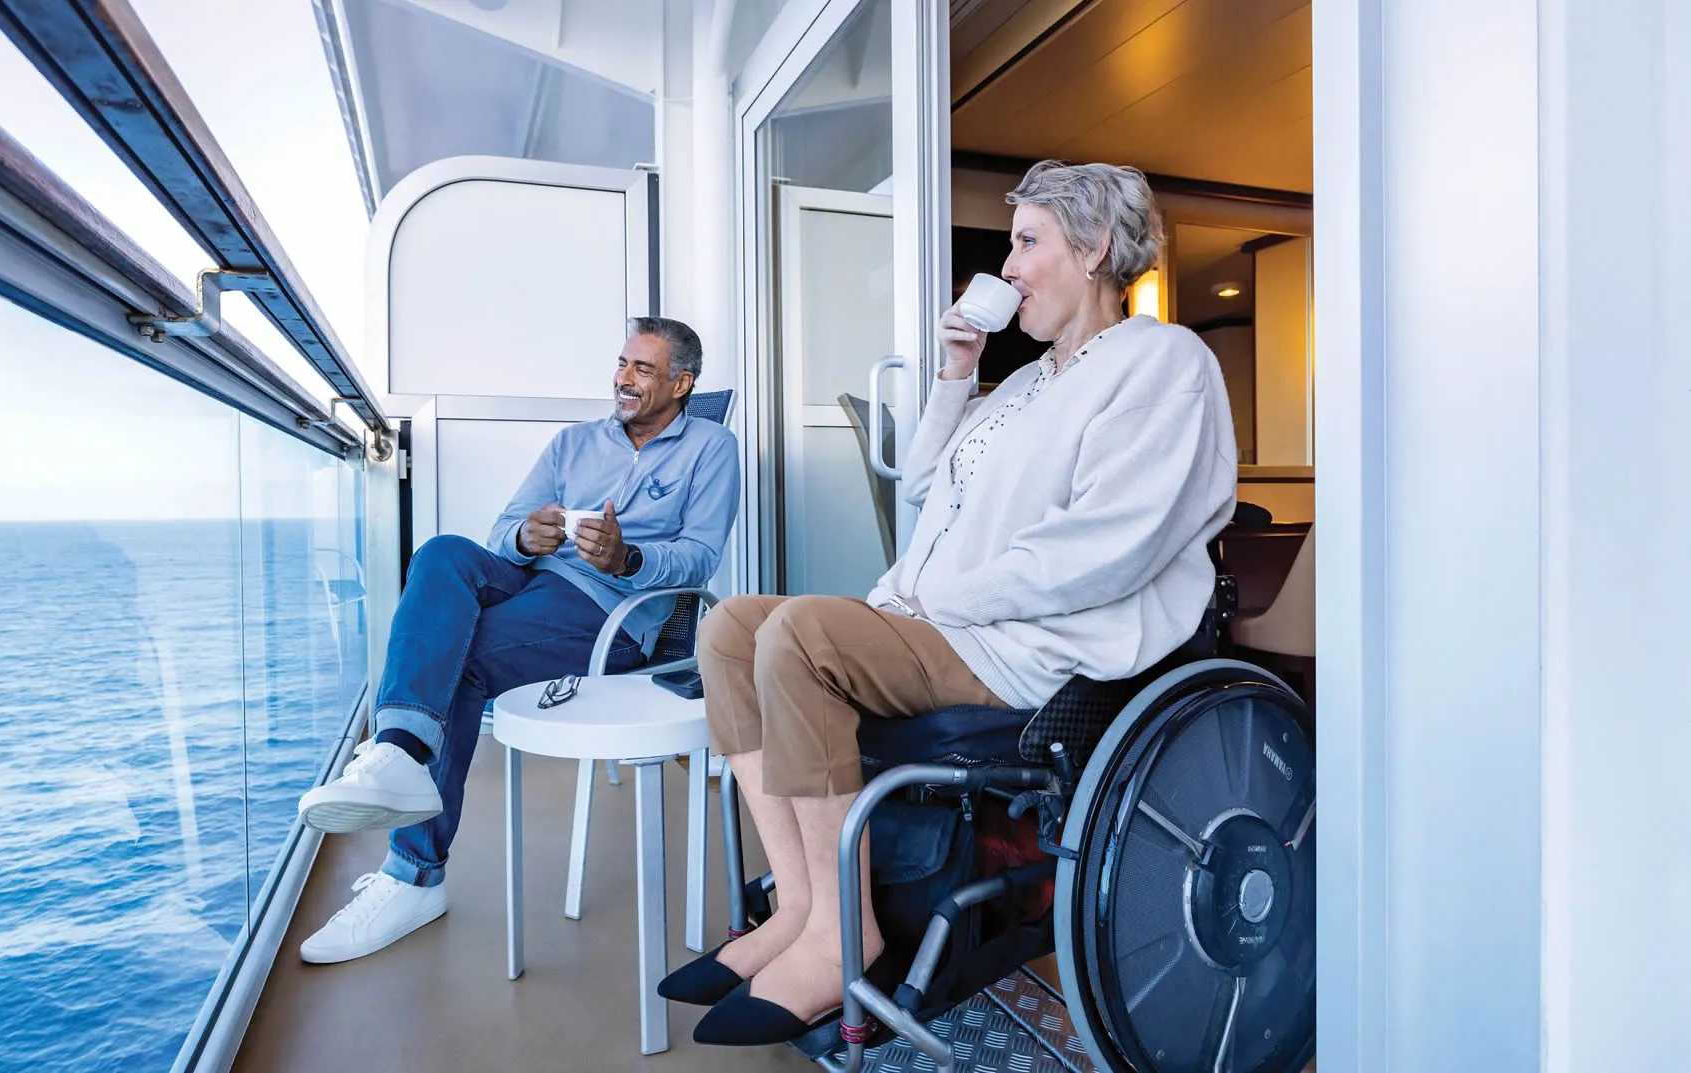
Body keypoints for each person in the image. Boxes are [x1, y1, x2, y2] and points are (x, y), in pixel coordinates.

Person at [662, 161, 1238, 1046]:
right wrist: (957, 372)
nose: (1007, 268)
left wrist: (934, 602)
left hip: (1023, 647)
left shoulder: (1161, 361)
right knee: (732, 629)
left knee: (802, 637)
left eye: (1026, 242)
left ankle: (836, 938)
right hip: (950, 621)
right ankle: (805, 905)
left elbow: (1103, 547)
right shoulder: (1027, 382)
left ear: (1093, 250)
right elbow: (924, 487)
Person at [296, 316, 740, 964]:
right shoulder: (574, 443)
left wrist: (628, 558)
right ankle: (400, 752)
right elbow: (505, 525)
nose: (622, 378)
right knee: (443, 552)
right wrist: (524, 539)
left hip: (608, 608)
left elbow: (699, 556)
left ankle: (413, 872)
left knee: (462, 660)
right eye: (621, 362)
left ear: (682, 382)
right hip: (530, 576)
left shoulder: (711, 448)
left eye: (643, 368)